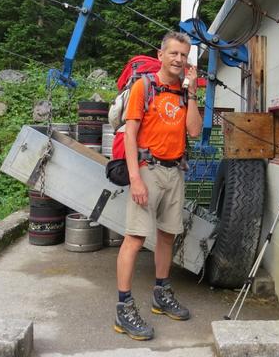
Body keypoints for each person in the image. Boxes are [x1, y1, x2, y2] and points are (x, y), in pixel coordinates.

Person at [113, 31, 202, 341]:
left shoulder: (182, 93)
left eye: (183, 55)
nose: (178, 59)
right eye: (173, 53)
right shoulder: (144, 87)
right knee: (135, 238)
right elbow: (130, 134)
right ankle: (123, 308)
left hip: (174, 171)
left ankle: (160, 295)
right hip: (147, 170)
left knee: (167, 236)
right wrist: (135, 177)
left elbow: (194, 131)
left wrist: (191, 91)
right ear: (161, 55)